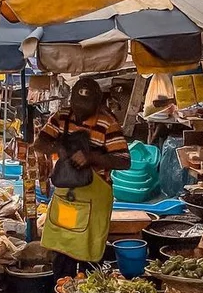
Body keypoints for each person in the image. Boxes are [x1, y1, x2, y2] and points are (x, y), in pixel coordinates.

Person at [33, 77, 131, 278]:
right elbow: (39, 144)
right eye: (76, 106)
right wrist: (58, 147)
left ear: (97, 104)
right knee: (64, 244)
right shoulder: (61, 117)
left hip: (95, 199)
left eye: (85, 107)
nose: (79, 112)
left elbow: (124, 160)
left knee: (90, 250)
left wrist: (91, 157)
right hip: (67, 197)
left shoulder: (107, 123)